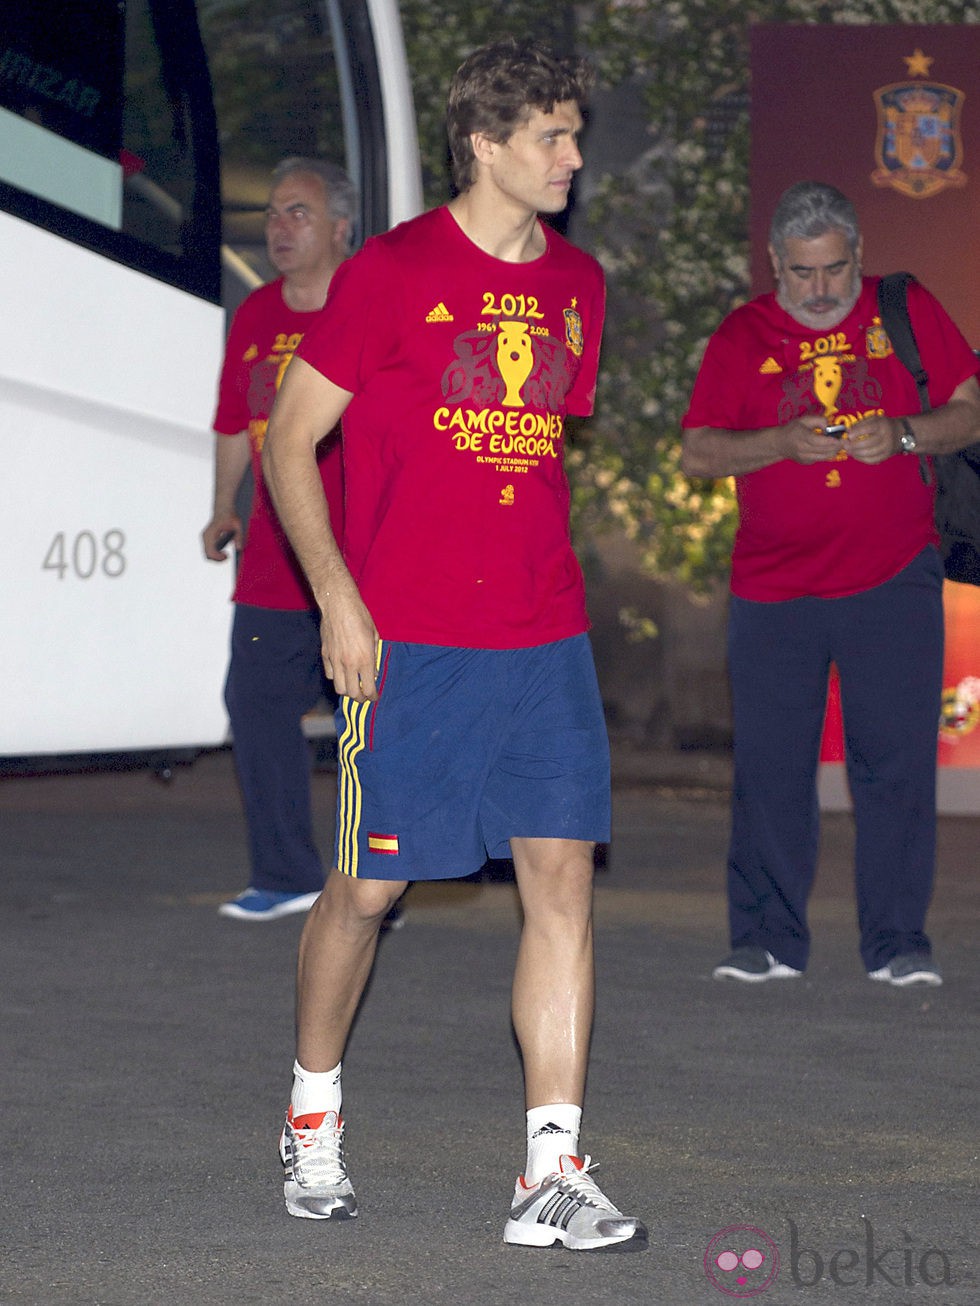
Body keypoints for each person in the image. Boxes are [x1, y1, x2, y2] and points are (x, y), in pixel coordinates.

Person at [260, 38, 647, 1251]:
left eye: (573, 134)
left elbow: (531, 452)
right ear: (483, 145)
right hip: (410, 641)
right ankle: (310, 1115)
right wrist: (337, 596)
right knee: (368, 888)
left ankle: (549, 1172)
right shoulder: (388, 273)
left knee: (561, 881)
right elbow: (288, 444)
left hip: (542, 634)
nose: (572, 158)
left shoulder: (577, 284)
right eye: (550, 136)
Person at [681, 180, 980, 987]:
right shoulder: (742, 336)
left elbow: (970, 412)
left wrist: (908, 434)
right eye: (803, 273)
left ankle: (898, 945)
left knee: (897, 768)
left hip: (893, 582)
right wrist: (779, 441)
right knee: (771, 772)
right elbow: (699, 452)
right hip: (774, 594)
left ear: (858, 258)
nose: (820, 290)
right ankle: (768, 942)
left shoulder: (904, 310)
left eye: (835, 270)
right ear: (775, 262)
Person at [202, 157, 355, 922]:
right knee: (254, 703)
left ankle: (375, 881)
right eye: (272, 214)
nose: (279, 228)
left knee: (373, 716)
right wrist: (222, 506)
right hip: (272, 558)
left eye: (299, 213)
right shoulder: (258, 313)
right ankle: (287, 874)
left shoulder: (367, 305)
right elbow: (235, 420)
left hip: (357, 560)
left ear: (340, 229)